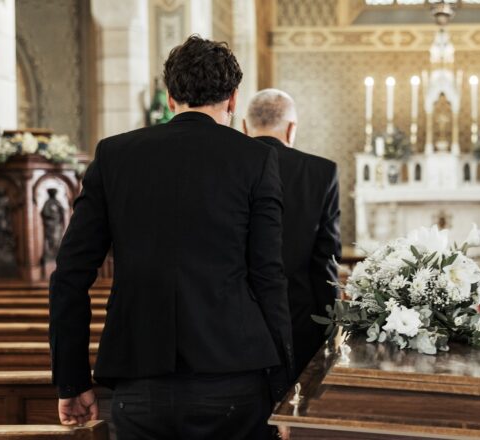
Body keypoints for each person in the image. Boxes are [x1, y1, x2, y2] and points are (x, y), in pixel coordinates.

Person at [49, 36, 293, 439]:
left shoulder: (114, 156)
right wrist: (284, 390)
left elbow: (70, 277)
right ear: (233, 99)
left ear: (169, 97)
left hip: (140, 380)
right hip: (233, 376)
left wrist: (72, 381)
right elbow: (269, 278)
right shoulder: (256, 159)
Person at [243, 89, 341, 378]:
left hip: (234, 319)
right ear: (291, 128)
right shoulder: (320, 171)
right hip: (299, 317)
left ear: (244, 127)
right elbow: (326, 259)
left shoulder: (227, 167)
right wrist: (329, 326)